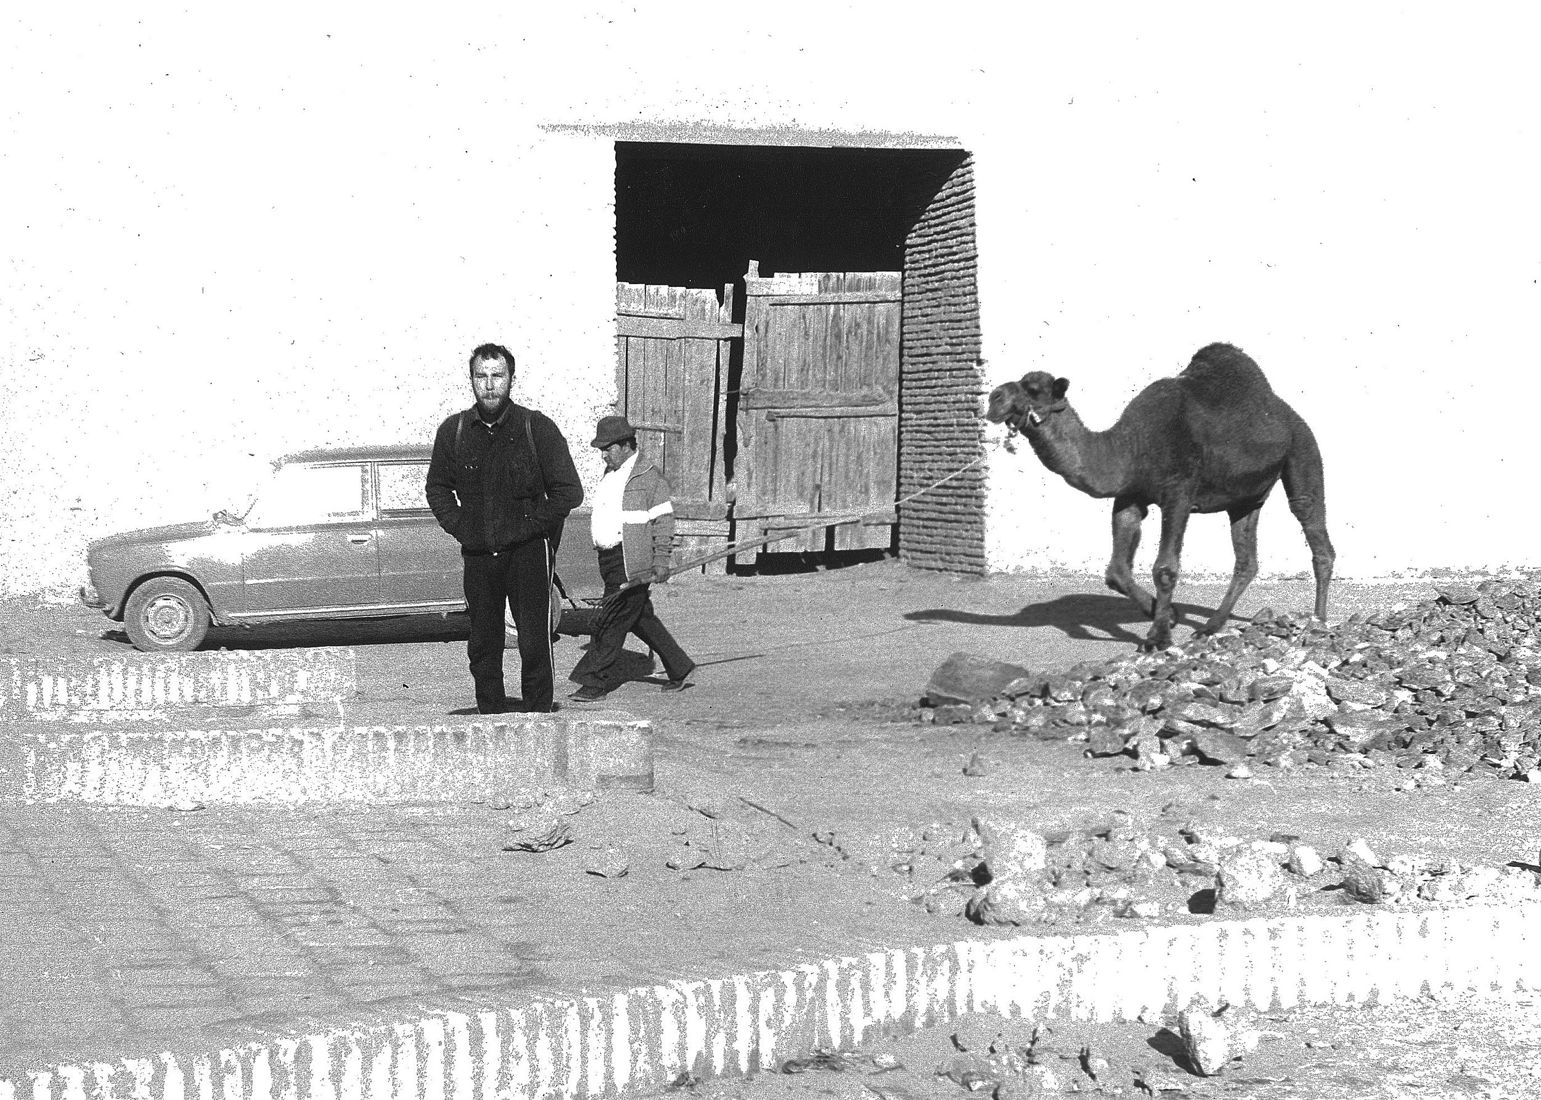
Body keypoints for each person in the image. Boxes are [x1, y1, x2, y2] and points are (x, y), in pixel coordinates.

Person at [426, 343, 583, 713]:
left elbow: (569, 491)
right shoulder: (454, 431)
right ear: (471, 380)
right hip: (480, 554)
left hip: (528, 553)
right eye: (481, 376)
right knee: (483, 641)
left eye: (497, 376)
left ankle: (538, 715)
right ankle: (490, 715)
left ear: (511, 379)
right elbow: (437, 489)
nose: (489, 385)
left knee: (534, 640)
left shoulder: (536, 428)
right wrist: (463, 528)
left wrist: (530, 527)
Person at [568, 415, 695, 702]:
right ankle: (680, 667)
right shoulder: (611, 472)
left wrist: (661, 561)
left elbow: (664, 522)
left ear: (626, 445)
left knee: (609, 620)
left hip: (630, 562)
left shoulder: (649, 477)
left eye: (608, 448)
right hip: (609, 559)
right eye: (601, 449)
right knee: (639, 618)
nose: (603, 455)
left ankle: (594, 681)